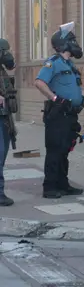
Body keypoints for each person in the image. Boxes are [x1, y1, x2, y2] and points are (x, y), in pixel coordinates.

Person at [34, 22, 84, 199]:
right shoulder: (53, 63)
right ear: (63, 44)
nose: (76, 43)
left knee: (64, 150)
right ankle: (49, 187)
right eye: (72, 40)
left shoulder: (69, 64)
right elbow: (39, 82)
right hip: (58, 114)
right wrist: (55, 98)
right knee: (55, 150)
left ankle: (63, 184)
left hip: (70, 114)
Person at [0, 39, 16, 206]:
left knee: (2, 154)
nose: (7, 55)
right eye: (4, 52)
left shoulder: (2, 70)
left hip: (4, 117)